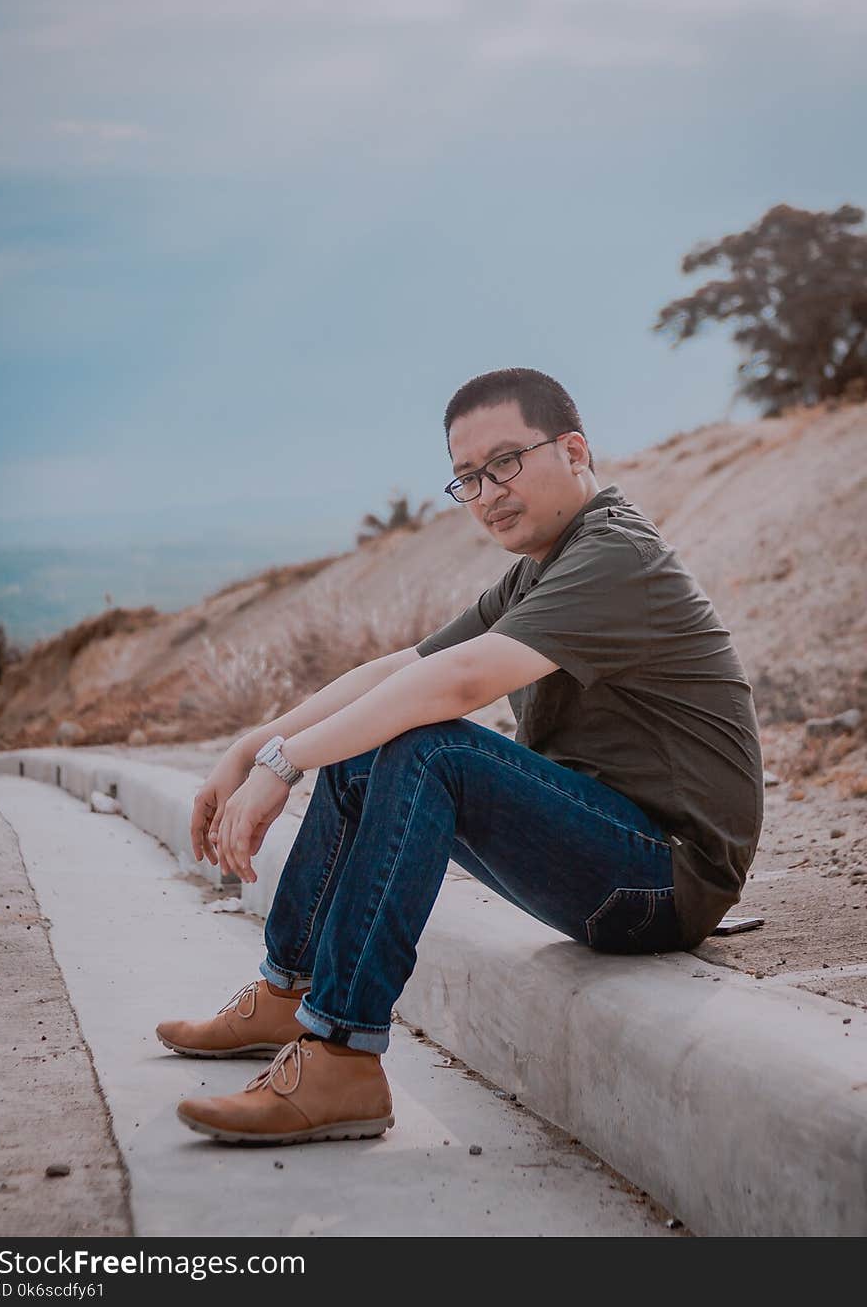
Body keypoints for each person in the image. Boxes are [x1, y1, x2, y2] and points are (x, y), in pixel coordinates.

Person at [159, 367, 764, 1147]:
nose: (487, 493)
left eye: (506, 462)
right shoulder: (539, 568)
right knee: (377, 728)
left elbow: (463, 681)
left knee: (428, 744)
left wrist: (285, 764)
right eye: (468, 477)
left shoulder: (617, 557)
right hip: (609, 856)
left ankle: (343, 1056)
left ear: (574, 450)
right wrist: (254, 748)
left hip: (665, 879)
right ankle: (290, 991)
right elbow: (398, 671)